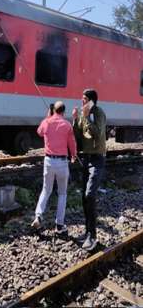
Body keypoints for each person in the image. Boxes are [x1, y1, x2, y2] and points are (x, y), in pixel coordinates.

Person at [31, 101, 77, 234]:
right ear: (63, 111)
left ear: (53, 110)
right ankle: (59, 225)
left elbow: (39, 132)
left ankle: (38, 216)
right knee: (62, 193)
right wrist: (73, 155)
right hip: (62, 162)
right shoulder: (67, 124)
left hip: (49, 161)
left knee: (46, 190)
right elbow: (72, 143)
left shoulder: (47, 122)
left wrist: (47, 117)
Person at [72, 89, 107, 251]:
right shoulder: (82, 114)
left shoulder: (99, 113)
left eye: (85, 99)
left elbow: (98, 134)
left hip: (97, 159)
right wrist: (75, 120)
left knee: (90, 194)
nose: (82, 101)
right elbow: (77, 136)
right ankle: (87, 232)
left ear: (92, 101)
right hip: (85, 159)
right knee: (84, 198)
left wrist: (86, 117)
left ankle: (92, 235)